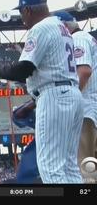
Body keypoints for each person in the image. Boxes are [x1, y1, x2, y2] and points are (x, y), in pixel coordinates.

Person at [0, 0, 83, 183]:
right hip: (72, 95)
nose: (21, 18)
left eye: (21, 12)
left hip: (53, 97)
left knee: (50, 168)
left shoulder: (40, 28)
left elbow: (23, 69)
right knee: (69, 166)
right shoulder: (62, 28)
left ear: (28, 10)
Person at [54, 11, 97, 177]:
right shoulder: (87, 38)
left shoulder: (78, 38)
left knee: (84, 168)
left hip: (86, 110)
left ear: (64, 27)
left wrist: (68, 101)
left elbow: (84, 71)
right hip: (91, 108)